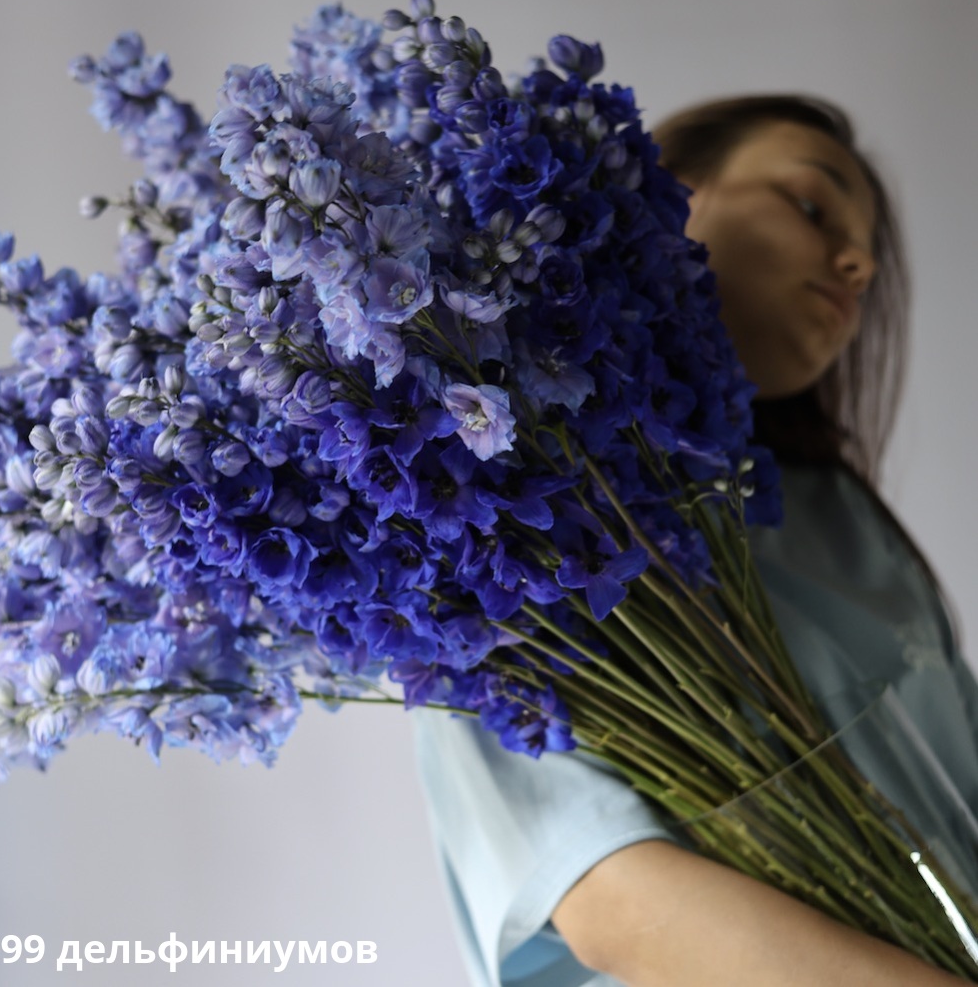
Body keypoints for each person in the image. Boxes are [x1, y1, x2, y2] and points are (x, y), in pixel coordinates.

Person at [411, 94, 978, 986]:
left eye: (864, 247)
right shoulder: (515, 531)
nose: (860, 264)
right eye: (811, 204)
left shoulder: (844, 519)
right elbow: (615, 895)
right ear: (662, 195)